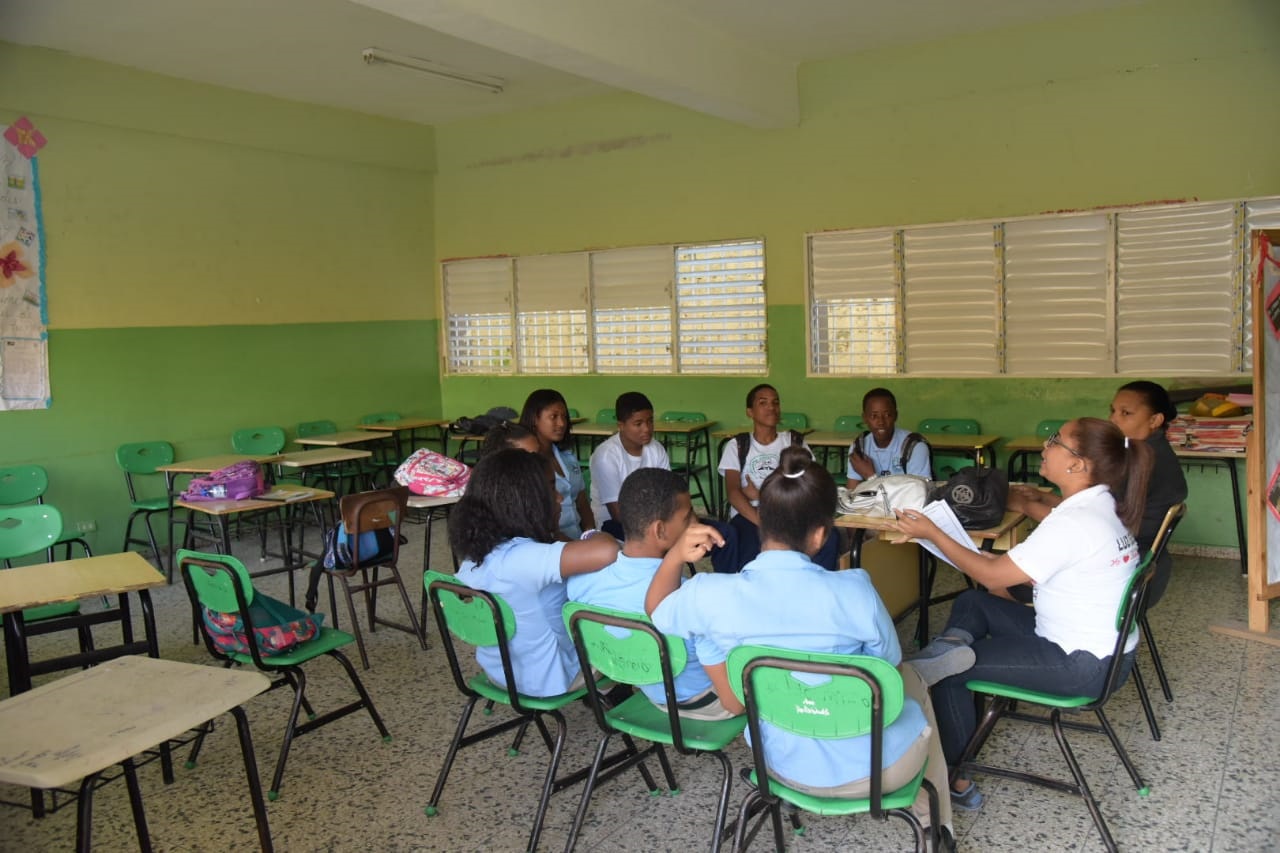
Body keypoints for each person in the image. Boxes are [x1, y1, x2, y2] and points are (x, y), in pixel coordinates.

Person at [646, 447, 952, 838]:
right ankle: (935, 828)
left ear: (762, 522)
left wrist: (674, 555)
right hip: (875, 772)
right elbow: (886, 676)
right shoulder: (854, 591)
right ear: (821, 534)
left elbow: (656, 611)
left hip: (775, 764)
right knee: (909, 681)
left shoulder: (711, 594)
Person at [892, 417, 1152, 810]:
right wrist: (972, 552)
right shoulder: (1098, 507)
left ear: (1078, 464)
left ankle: (956, 778)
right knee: (973, 602)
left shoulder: (1074, 522)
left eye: (1056, 441)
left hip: (1081, 663)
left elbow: (992, 573)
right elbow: (1006, 573)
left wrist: (934, 533)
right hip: (1097, 647)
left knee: (950, 674)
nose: (1045, 447)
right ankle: (949, 651)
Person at [448, 448, 619, 697]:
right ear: (524, 500)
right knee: (626, 615)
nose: (560, 498)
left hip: (500, 673)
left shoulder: (477, 553)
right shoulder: (525, 558)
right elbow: (607, 550)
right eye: (551, 488)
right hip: (548, 680)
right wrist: (593, 532)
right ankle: (617, 707)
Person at [568, 468, 736, 720]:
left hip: (652, 693)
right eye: (688, 516)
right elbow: (731, 693)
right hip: (705, 704)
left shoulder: (582, 583)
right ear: (659, 530)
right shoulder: (688, 598)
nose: (697, 523)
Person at [1008, 381, 1187, 607]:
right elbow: (1092, 508)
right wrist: (1041, 497)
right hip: (1144, 571)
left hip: (1117, 579)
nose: (1113, 419)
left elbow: (1087, 525)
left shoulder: (1139, 467)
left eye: (1126, 413)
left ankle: (1042, 633)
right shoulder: (1152, 454)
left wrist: (1026, 506)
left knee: (1002, 583)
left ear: (1155, 420)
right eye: (1113, 410)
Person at [716, 383, 839, 572]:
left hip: (792, 511)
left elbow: (810, 483)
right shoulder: (737, 445)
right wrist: (764, 522)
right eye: (763, 403)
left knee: (831, 538)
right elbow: (733, 493)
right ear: (750, 412)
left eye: (775, 402)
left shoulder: (793, 441)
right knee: (750, 550)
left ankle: (815, 587)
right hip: (751, 516)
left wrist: (759, 495)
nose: (771, 407)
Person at [588, 392, 671, 539]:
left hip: (653, 519)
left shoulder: (656, 448)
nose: (647, 428)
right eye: (638, 424)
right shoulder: (606, 456)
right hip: (614, 525)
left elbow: (669, 493)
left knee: (718, 531)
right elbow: (618, 513)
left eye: (650, 421)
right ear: (621, 426)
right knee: (664, 539)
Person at [519, 389, 594, 540]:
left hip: (578, 538)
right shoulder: (527, 463)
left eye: (564, 417)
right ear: (535, 419)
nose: (561, 423)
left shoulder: (568, 458)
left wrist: (590, 534)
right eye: (553, 417)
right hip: (549, 542)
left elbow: (582, 502)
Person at [846, 387, 933, 482]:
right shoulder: (859, 447)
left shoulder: (914, 447)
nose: (881, 422)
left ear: (895, 415)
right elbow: (852, 493)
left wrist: (870, 476)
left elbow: (917, 493)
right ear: (865, 418)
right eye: (874, 416)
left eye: (887, 415)